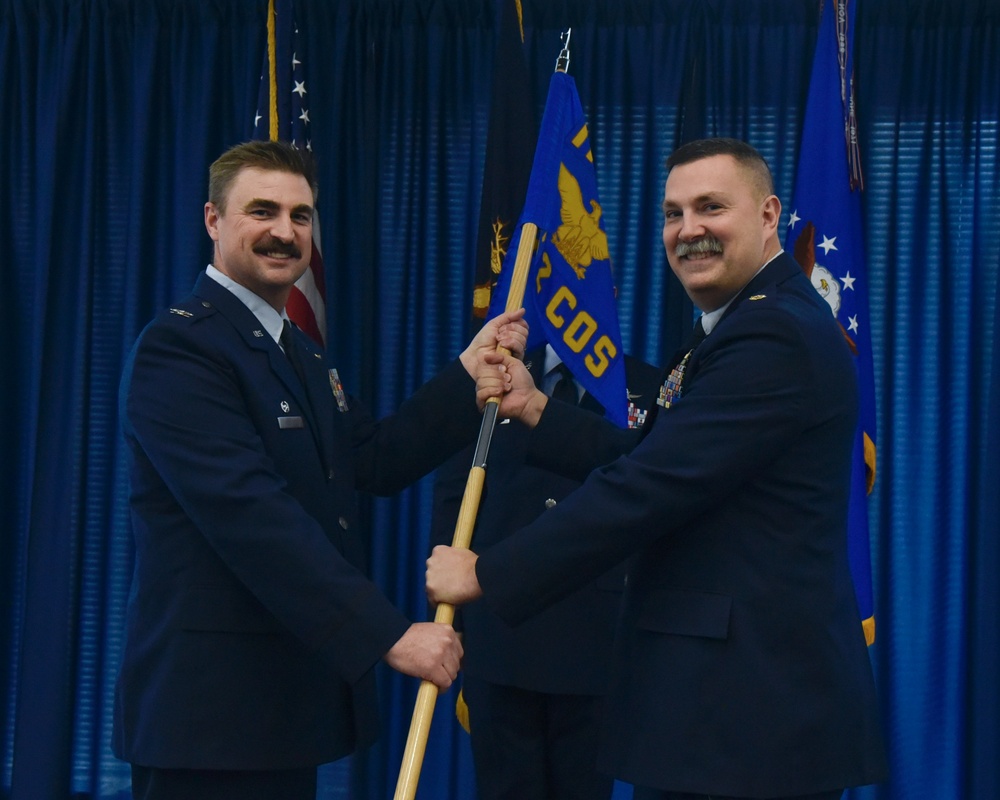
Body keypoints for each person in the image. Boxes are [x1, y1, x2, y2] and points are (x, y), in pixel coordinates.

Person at [427, 138, 888, 800]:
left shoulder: (772, 335)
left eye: (710, 208)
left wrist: (488, 572)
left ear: (768, 216)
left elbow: (646, 488)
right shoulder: (737, 326)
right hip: (722, 715)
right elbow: (657, 456)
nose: (688, 230)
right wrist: (536, 410)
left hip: (750, 722)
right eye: (673, 213)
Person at [113, 139, 527, 800]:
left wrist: (465, 376)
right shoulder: (182, 348)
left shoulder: (297, 350)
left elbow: (373, 458)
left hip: (282, 706)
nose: (285, 232)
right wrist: (388, 634)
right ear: (214, 221)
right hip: (210, 717)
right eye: (263, 211)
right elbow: (252, 516)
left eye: (301, 216)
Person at [430, 342, 661, 800]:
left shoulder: (648, 386)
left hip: (598, 637)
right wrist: (448, 618)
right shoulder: (492, 378)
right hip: (501, 634)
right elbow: (454, 502)